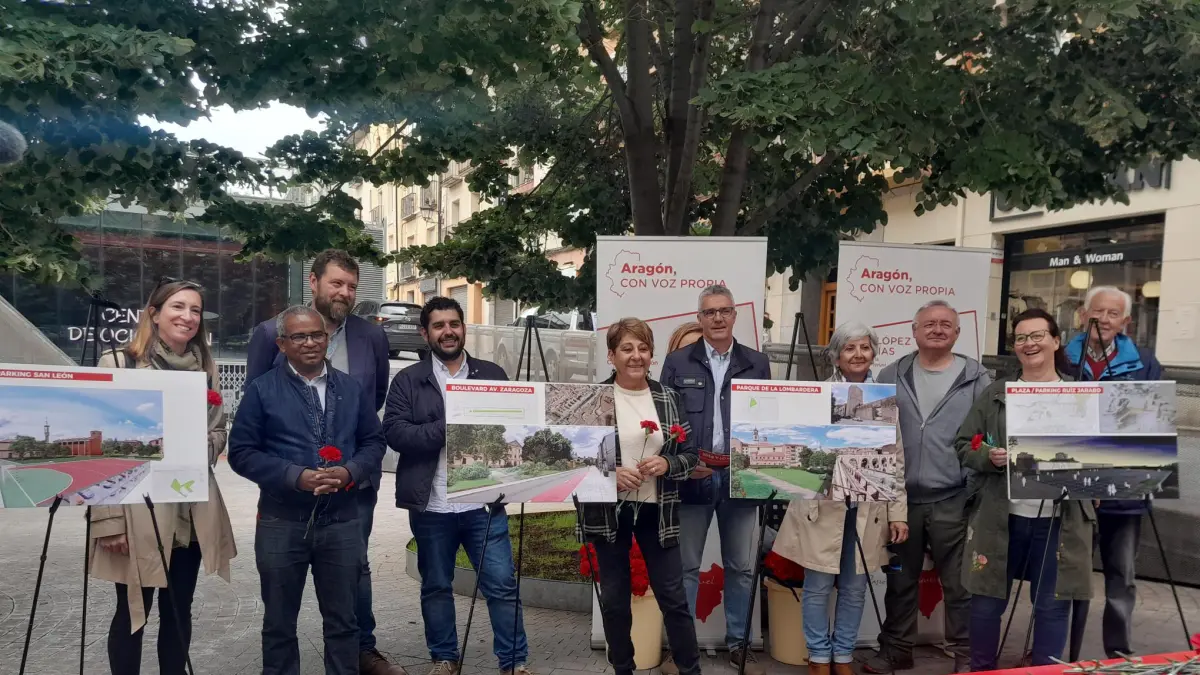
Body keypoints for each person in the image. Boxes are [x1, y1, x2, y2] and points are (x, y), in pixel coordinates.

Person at [243, 249, 398, 674]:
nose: (345, 292)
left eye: (352, 286)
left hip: (351, 492)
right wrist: (293, 472)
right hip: (286, 502)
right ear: (313, 282)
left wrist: (350, 468)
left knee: (353, 579)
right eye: (337, 283)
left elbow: (373, 406)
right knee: (280, 615)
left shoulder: (370, 338)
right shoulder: (269, 337)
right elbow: (254, 418)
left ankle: (363, 652)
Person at [90, 279, 237, 675]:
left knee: (178, 609)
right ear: (154, 314)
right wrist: (108, 522)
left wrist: (199, 446)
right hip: (135, 511)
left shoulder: (206, 368)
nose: (188, 317)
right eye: (178, 306)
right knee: (132, 611)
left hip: (190, 510)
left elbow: (218, 430)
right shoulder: (119, 363)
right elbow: (101, 448)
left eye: (195, 310)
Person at [382, 296, 533, 675]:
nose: (447, 331)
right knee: (436, 586)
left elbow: (515, 426)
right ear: (425, 333)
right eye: (438, 326)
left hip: (484, 505)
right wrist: (450, 426)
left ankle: (514, 663)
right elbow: (396, 433)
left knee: (502, 585)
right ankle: (444, 659)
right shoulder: (407, 380)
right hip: (432, 506)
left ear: (463, 328)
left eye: (454, 324)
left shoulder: (492, 374)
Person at [955, 308, 1096, 670]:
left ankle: (1046, 668)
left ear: (1055, 341)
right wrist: (989, 456)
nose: (1028, 344)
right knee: (986, 601)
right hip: (1001, 515)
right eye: (1020, 338)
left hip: (1060, 520)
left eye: (1037, 336)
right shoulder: (997, 393)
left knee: (1053, 604)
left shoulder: (1081, 395)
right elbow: (963, 443)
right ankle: (982, 668)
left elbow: (1105, 454)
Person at [772, 322, 909, 675]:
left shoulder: (884, 401)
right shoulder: (816, 396)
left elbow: (895, 460)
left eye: (864, 347)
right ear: (835, 356)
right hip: (822, 506)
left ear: (874, 353)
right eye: (849, 348)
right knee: (817, 586)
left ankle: (844, 655)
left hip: (868, 507)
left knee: (854, 586)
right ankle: (819, 656)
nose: (858, 354)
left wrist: (898, 513)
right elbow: (799, 446)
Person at [867, 299, 991, 674]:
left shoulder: (977, 379)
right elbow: (874, 434)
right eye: (929, 324)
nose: (937, 329)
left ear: (957, 333)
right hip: (901, 500)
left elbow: (987, 436)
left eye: (945, 324)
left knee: (960, 584)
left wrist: (971, 490)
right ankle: (896, 650)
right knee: (900, 581)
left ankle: (966, 656)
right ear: (914, 331)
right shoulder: (891, 374)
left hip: (954, 497)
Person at [579, 318, 703, 675]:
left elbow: (691, 454)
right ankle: (623, 669)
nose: (636, 356)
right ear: (611, 356)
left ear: (652, 355)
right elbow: (574, 459)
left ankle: (690, 670)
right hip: (609, 513)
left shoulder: (668, 397)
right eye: (627, 349)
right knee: (615, 602)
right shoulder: (593, 399)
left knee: (674, 600)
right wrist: (610, 474)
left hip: (657, 512)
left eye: (643, 348)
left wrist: (667, 463)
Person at [659, 284, 772, 675]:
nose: (718, 318)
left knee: (741, 566)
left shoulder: (757, 362)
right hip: (694, 473)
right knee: (686, 567)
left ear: (735, 315)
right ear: (700, 318)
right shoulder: (677, 362)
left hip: (742, 475)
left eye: (724, 311)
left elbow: (766, 421)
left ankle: (739, 645)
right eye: (710, 312)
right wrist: (683, 463)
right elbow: (666, 420)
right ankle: (682, 651)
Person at [1063, 285, 1162, 658]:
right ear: (1083, 315)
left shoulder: (1144, 362)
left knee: (1122, 576)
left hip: (1124, 489)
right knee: (1070, 575)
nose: (1103, 319)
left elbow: (1153, 422)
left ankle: (1119, 652)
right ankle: (1063, 654)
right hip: (1072, 487)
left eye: (1112, 313)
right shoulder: (1062, 359)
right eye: (1097, 311)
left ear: (1125, 322)